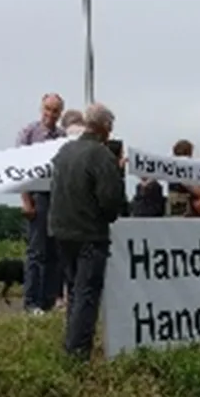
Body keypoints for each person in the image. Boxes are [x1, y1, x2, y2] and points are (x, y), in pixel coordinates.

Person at [49, 103, 129, 360]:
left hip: (61, 231)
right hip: (89, 233)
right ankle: (77, 352)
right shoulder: (101, 155)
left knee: (73, 290)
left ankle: (71, 342)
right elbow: (110, 200)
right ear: (105, 127)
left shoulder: (65, 150)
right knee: (87, 293)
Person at [16, 94, 67, 316]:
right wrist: (26, 200)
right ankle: (31, 301)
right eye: (48, 109)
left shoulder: (62, 136)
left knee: (54, 251)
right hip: (37, 196)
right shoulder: (28, 134)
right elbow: (18, 170)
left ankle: (48, 299)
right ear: (41, 108)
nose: (50, 114)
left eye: (55, 110)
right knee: (36, 251)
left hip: (57, 197)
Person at [165, 139, 200, 216]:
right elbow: (187, 184)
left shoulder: (170, 165)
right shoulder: (182, 166)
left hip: (172, 199)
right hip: (182, 201)